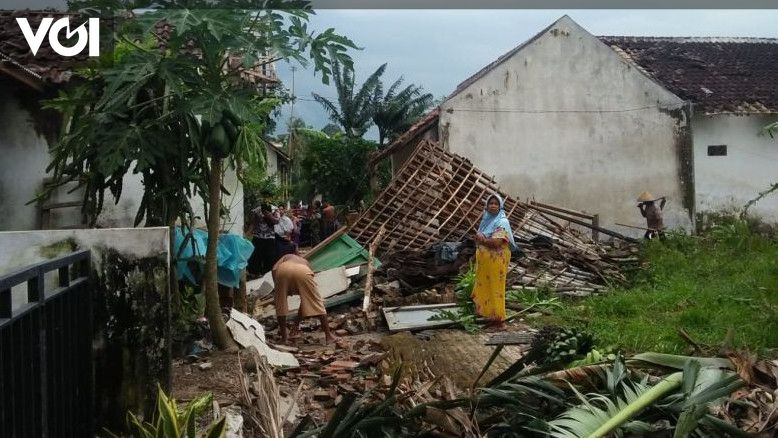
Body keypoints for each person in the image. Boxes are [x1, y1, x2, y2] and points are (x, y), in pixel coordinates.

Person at [472, 193, 518, 328]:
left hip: (496, 262)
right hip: (486, 263)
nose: (493, 206)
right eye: (490, 203)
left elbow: (497, 242)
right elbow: (479, 236)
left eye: (496, 204)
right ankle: (489, 316)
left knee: (495, 289)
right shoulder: (486, 220)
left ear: (500, 206)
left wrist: (482, 239)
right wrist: (479, 238)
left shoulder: (502, 222)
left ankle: (499, 321)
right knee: (486, 287)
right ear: (486, 206)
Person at [271, 254, 335, 344]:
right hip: (302, 271)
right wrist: (297, 323)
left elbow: (274, 268)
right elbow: (305, 302)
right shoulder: (305, 262)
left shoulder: (286, 256)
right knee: (316, 302)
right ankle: (329, 337)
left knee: (280, 305)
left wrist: (277, 285)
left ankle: (284, 338)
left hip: (283, 270)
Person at [247, 203, 279, 277]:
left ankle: (268, 275)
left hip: (269, 238)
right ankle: (254, 274)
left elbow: (277, 221)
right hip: (258, 237)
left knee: (269, 257)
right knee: (255, 257)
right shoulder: (256, 210)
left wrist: (270, 216)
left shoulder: (275, 209)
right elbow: (253, 223)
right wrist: (247, 234)